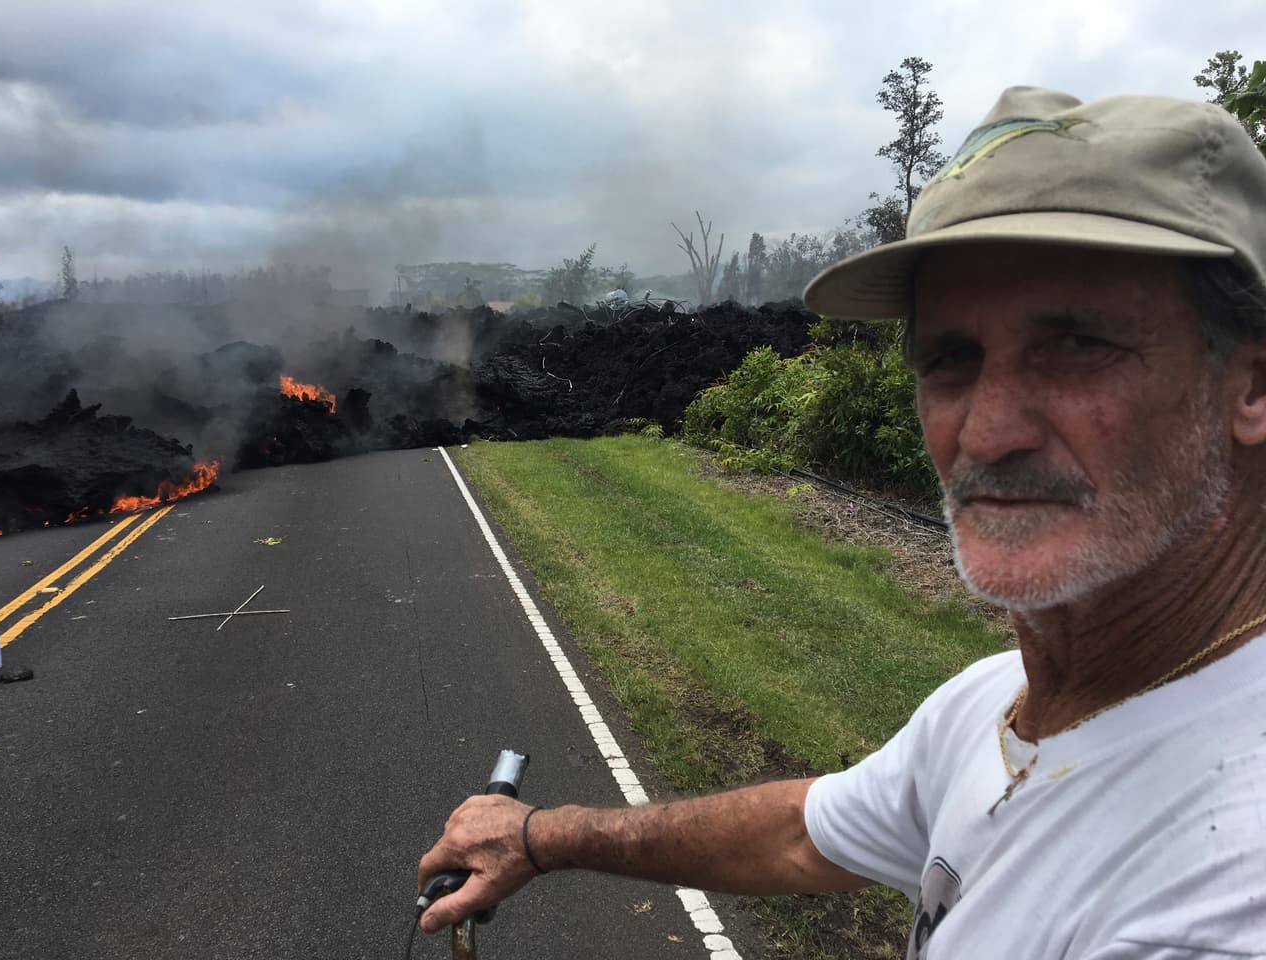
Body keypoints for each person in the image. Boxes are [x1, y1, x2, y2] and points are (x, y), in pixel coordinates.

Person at [418, 87, 1266, 956]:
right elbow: (799, 833)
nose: (985, 431)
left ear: (1250, 384)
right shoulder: (992, 706)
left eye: (1079, 345)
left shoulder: (1228, 888)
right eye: (949, 358)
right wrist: (535, 838)